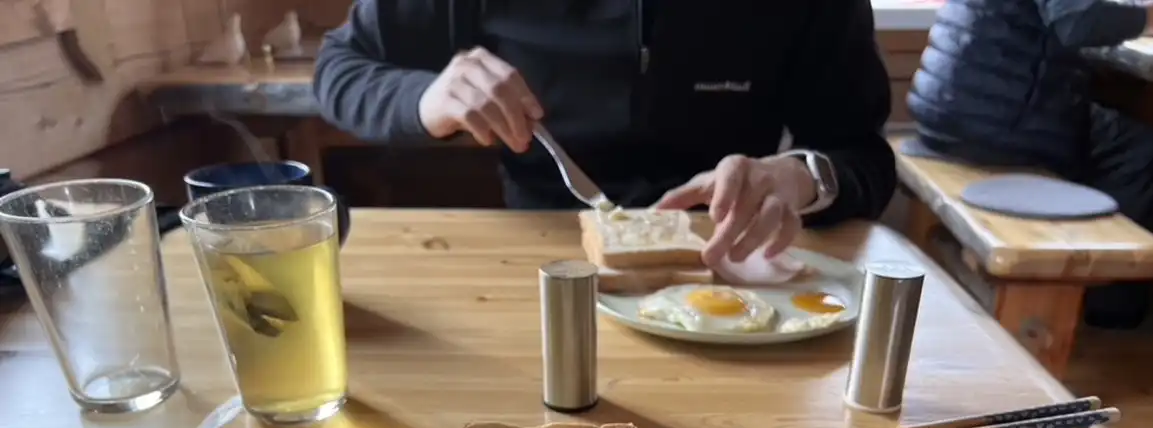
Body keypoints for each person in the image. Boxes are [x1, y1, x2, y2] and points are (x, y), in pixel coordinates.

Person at [314, 0, 897, 267]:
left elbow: (863, 154)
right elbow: (341, 67)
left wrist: (802, 177)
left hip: (732, 264)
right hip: (539, 259)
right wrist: (426, 98)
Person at [907, 0, 1153, 329]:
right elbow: (1080, 24)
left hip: (949, 108)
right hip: (1001, 124)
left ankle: (1097, 289)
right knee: (1141, 149)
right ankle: (1110, 309)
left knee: (1120, 131)